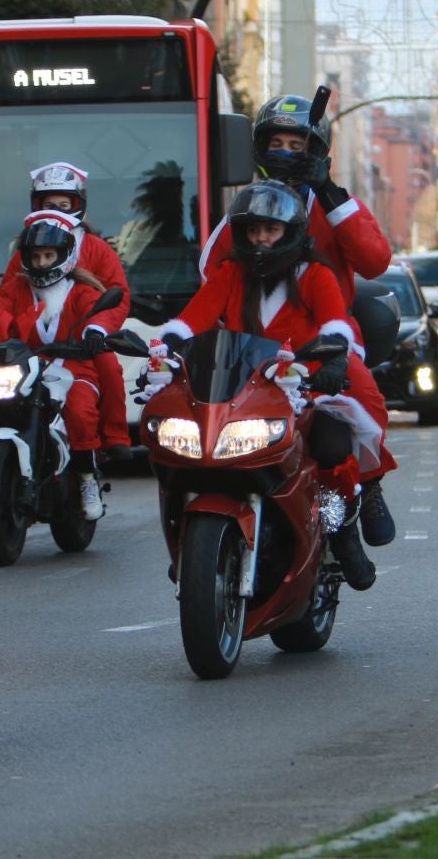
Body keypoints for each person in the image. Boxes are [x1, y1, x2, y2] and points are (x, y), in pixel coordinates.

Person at [162, 182, 387, 591]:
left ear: (293, 232)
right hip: (242, 390)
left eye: (272, 230)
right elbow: (193, 318)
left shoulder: (316, 274)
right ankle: (189, 539)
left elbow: (335, 322)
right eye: (254, 230)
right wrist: (166, 348)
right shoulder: (230, 273)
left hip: (304, 385)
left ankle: (343, 528)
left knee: (334, 443)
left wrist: (334, 358)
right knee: (180, 445)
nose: (262, 239)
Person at [198, 95, 399, 547]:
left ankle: (366, 488)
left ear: (318, 152)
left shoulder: (337, 206)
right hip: (250, 349)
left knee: (361, 397)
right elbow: (211, 275)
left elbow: (374, 261)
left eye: (298, 144)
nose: (287, 152)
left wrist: (329, 194)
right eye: (278, 143)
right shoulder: (244, 211)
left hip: (323, 344)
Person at [0, 210, 124, 519]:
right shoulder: (16, 289)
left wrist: (95, 330)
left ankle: (86, 477)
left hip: (74, 368)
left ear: (65, 255)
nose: (42, 262)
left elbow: (100, 314)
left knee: (80, 411)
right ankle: (2, 472)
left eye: (48, 254)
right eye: (36, 256)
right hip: (25, 367)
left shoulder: (81, 290)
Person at [9, 161, 132, 456]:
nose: (56, 211)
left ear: (78, 205)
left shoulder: (96, 248)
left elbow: (120, 294)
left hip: (83, 340)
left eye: (64, 205)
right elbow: (6, 297)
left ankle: (114, 436)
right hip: (35, 345)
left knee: (110, 369)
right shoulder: (25, 248)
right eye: (48, 204)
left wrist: (98, 328)